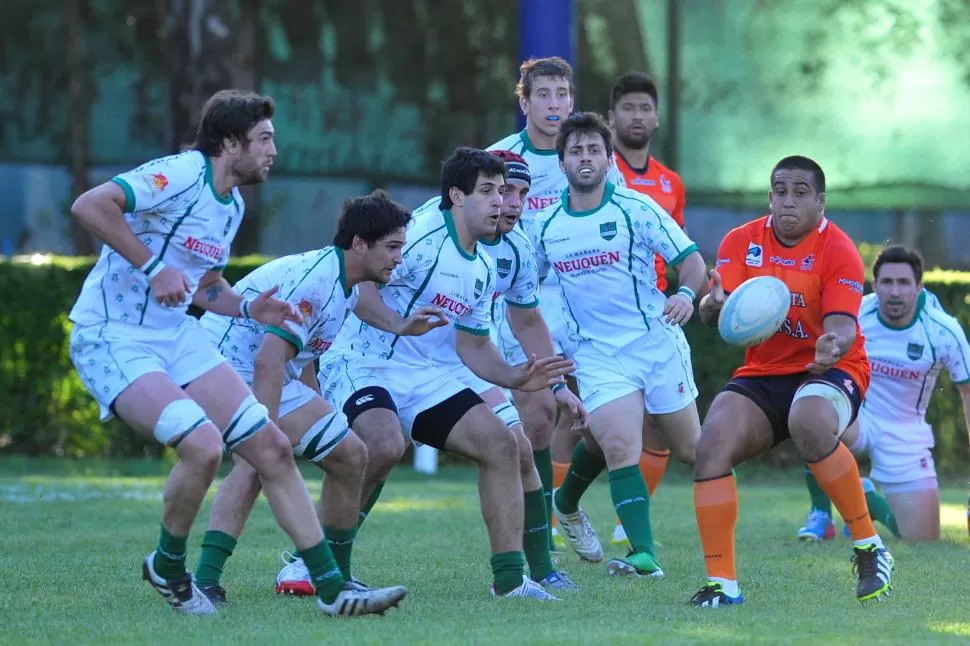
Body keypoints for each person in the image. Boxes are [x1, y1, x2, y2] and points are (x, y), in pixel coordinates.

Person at [67, 90, 406, 617]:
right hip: (113, 333)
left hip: (177, 335)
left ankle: (331, 589)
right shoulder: (182, 173)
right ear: (230, 143)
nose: (273, 150)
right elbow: (90, 205)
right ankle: (169, 565)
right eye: (264, 139)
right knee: (204, 447)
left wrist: (251, 310)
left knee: (269, 445)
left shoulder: (232, 206)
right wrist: (154, 269)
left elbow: (205, 288)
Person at [315, 147, 574, 600]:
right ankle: (320, 566)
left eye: (507, 192)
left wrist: (516, 377)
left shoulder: (488, 260)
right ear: (456, 195)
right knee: (383, 444)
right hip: (362, 358)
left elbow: (473, 343)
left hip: (427, 371)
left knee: (502, 445)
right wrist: (398, 324)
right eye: (489, 191)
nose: (501, 202)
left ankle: (512, 581)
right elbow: (359, 282)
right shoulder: (416, 237)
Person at [191, 191, 446, 603]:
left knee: (352, 455)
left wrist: (397, 327)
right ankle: (204, 581)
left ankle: (336, 580)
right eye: (393, 247)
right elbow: (268, 362)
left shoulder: (346, 283)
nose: (400, 258)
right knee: (257, 461)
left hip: (261, 367)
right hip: (224, 366)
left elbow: (300, 352)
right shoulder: (319, 284)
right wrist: (266, 432)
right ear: (359, 243)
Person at [690, 155, 894, 607]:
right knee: (711, 445)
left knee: (809, 419)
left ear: (820, 202)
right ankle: (722, 584)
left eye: (801, 193)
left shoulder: (837, 248)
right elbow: (715, 311)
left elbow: (842, 328)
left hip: (833, 370)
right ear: (769, 197)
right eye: (780, 191)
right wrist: (712, 305)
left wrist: (831, 347)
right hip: (765, 372)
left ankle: (868, 546)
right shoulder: (741, 241)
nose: (789, 201)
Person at [532, 112, 707, 578]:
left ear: (609, 160)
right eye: (576, 151)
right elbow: (525, 293)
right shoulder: (545, 226)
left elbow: (692, 262)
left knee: (692, 449)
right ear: (561, 160)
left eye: (593, 150)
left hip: (655, 343)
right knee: (618, 443)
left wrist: (687, 295)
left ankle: (566, 499)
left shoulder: (637, 209)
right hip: (596, 353)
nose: (585, 158)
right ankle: (643, 554)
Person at [796, 245, 970, 542]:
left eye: (903, 283)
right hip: (858, 415)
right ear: (874, 285)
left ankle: (869, 501)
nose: (895, 291)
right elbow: (815, 362)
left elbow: (967, 394)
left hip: (905, 432)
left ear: (919, 286)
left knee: (922, 541)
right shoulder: (855, 313)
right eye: (887, 282)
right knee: (811, 414)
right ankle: (821, 515)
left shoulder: (943, 330)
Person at [487, 57, 579, 551]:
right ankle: (538, 543)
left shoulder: (585, 156)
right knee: (539, 415)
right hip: (513, 301)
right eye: (543, 95)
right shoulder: (496, 158)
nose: (554, 104)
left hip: (572, 296)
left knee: (608, 415)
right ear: (524, 101)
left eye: (562, 94)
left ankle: (562, 515)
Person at [607, 71, 690, 546]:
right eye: (628, 108)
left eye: (644, 108)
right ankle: (557, 511)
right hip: (599, 313)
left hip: (655, 315)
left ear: (656, 118)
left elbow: (680, 249)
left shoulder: (670, 183)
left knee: (657, 427)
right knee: (578, 420)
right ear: (612, 116)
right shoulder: (593, 166)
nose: (637, 116)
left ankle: (626, 525)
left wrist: (700, 289)